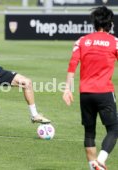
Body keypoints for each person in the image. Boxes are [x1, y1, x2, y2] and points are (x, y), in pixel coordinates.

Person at [63, 6, 118, 170]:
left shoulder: (82, 41)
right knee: (114, 129)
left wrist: (67, 89)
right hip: (104, 92)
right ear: (110, 24)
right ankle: (100, 160)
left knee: (89, 132)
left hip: (85, 93)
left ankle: (93, 166)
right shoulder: (114, 42)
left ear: (94, 23)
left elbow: (72, 65)